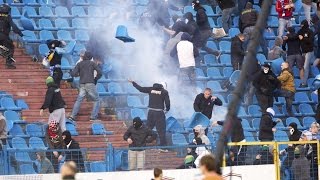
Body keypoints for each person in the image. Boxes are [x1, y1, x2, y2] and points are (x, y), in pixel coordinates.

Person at [128, 81, 170, 150]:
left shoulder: (151, 89)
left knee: (147, 129)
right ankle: (163, 147)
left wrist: (133, 83)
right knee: (161, 130)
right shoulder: (164, 92)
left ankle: (141, 144)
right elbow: (167, 103)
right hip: (159, 112)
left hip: (150, 112)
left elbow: (140, 89)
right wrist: (167, 109)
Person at [68, 51, 102, 121]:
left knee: (79, 100)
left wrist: (72, 72)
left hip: (82, 84)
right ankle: (93, 117)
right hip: (90, 83)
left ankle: (72, 116)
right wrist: (96, 78)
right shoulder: (92, 63)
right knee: (97, 100)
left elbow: (74, 74)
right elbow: (100, 72)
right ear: (90, 57)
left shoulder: (79, 64)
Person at [0, 4, 23, 69]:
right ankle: (8, 63)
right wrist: (20, 33)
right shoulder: (7, 17)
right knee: (11, 47)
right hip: (3, 36)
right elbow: (14, 27)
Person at [298, 19, 314, 88]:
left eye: (302, 24)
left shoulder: (310, 31)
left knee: (305, 67)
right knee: (304, 66)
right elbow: (295, 37)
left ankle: (304, 83)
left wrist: (303, 38)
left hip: (309, 51)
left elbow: (310, 41)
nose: (301, 26)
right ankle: (307, 79)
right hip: (303, 51)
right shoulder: (300, 31)